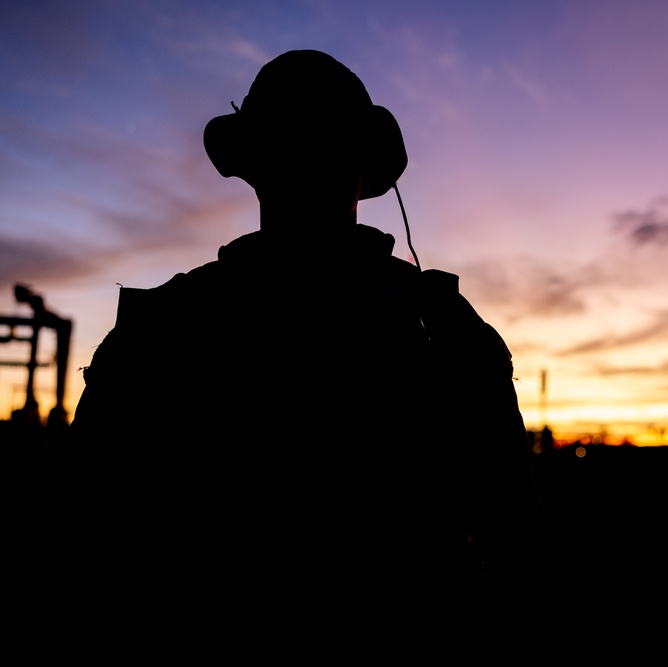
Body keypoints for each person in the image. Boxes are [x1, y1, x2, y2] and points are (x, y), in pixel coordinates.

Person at [69, 50, 545, 614]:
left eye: (321, 145)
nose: (307, 163)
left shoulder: (167, 323)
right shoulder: (441, 324)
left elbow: (85, 540)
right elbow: (517, 543)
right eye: (295, 145)